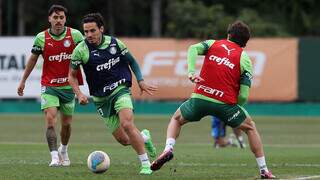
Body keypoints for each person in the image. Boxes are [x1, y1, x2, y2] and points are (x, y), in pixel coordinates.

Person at [150, 21, 275, 179]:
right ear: (245, 43)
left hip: (200, 99)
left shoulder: (213, 44)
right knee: (250, 128)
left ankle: (168, 148)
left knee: (176, 119)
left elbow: (192, 48)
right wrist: (233, 110)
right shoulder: (245, 59)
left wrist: (191, 71)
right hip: (225, 105)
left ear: (228, 35)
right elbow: (243, 95)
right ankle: (264, 170)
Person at [68, 13, 157, 175]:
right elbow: (71, 76)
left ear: (101, 29)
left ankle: (146, 164)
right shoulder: (80, 50)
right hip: (101, 99)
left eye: (92, 30)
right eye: (86, 32)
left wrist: (141, 80)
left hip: (120, 89)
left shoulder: (115, 43)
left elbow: (132, 62)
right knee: (124, 140)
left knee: (127, 124)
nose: (89, 35)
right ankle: (144, 137)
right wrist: (79, 94)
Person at [17, 5, 84, 167]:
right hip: (49, 86)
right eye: (55, 17)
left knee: (66, 124)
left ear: (65, 19)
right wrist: (23, 80)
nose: (58, 20)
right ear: (49, 19)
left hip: (68, 88)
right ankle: (54, 157)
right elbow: (32, 60)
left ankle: (64, 150)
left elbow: (86, 56)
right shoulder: (41, 38)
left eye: (61, 17)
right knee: (50, 120)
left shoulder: (75, 35)